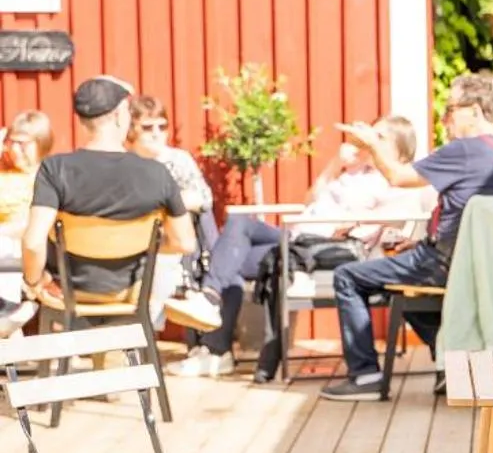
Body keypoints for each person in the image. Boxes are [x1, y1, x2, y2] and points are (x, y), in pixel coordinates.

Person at [321, 74, 493, 400]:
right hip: (486, 268)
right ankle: (453, 366)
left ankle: (365, 378)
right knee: (403, 281)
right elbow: (476, 223)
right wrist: (423, 241)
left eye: (450, 109)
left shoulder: (464, 151)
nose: (445, 118)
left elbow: (398, 177)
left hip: (447, 265)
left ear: (473, 110)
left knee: (349, 277)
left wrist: (371, 144)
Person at [172, 117, 426, 380]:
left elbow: (393, 217)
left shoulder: (395, 183)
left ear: (400, 149)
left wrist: (356, 221)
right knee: (234, 239)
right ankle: (213, 322)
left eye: (380, 138)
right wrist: (335, 163)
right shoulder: (355, 171)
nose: (370, 141)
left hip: (322, 248)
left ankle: (215, 344)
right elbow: (310, 200)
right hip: (297, 237)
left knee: (227, 259)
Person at [20, 76, 209, 327]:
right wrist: (143, 244)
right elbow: (184, 242)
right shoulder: (156, 173)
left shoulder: (55, 169)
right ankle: (118, 359)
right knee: (127, 314)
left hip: (69, 290)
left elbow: (33, 242)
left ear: (81, 121)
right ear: (121, 115)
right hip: (130, 290)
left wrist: (34, 282)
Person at [125, 92, 218, 327]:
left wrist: (165, 204)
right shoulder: (122, 164)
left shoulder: (178, 159)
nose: (157, 133)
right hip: (134, 244)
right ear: (131, 130)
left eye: (162, 126)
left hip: (175, 243)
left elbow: (203, 199)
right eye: (147, 127)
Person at [0, 109, 54, 337]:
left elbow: (37, 222)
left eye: (24, 144)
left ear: (41, 143)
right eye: (12, 142)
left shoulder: (49, 174)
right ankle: (10, 323)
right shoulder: (3, 173)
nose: (15, 149)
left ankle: (8, 314)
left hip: (31, 244)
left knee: (5, 244)